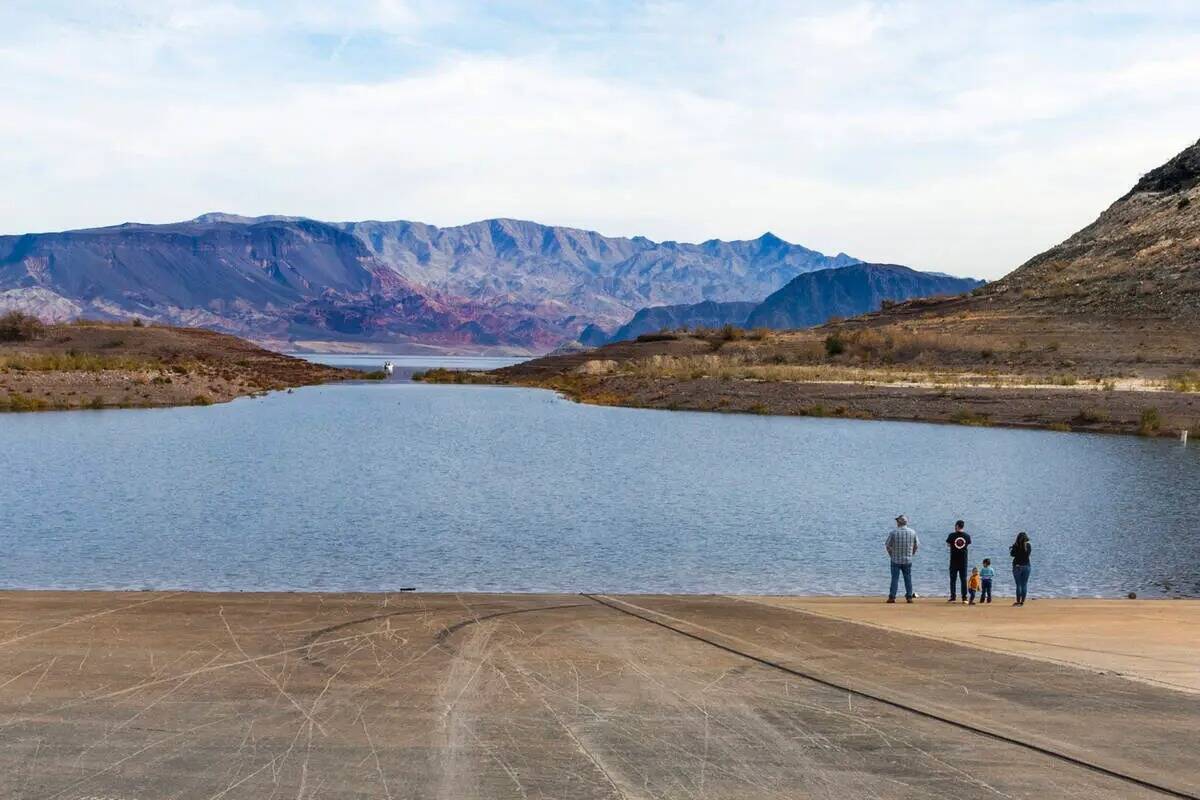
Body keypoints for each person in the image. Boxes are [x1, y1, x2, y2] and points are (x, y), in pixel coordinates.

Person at [885, 514, 919, 603]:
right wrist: (912, 554)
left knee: (895, 579)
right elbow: (916, 545)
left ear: (899, 523)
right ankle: (909, 597)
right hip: (908, 559)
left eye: (897, 521)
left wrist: (891, 555)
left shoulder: (894, 532)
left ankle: (892, 597)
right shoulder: (912, 532)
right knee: (908, 578)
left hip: (895, 559)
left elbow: (887, 545)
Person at [945, 520, 972, 603]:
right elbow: (968, 544)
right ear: (963, 526)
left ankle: (953, 597)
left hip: (953, 560)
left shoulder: (951, 535)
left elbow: (948, 545)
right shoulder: (967, 536)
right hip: (963, 560)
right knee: (963, 579)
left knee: (953, 579)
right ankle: (964, 597)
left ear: (956, 526)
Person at [1010, 531, 1033, 606]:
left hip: (1017, 566)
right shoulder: (1028, 546)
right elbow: (1028, 554)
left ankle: (1018, 601)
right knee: (1024, 584)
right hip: (1027, 566)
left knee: (1018, 585)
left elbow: (1012, 554)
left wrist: (1013, 547)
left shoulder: (1016, 545)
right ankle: (1022, 601)